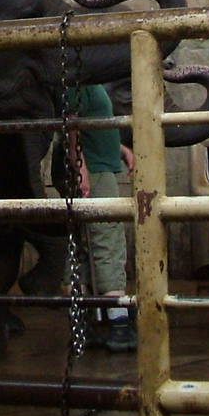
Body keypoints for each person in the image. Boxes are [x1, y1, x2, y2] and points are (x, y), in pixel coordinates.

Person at [66, 83, 138, 352]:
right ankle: (118, 323)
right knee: (106, 239)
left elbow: (92, 124)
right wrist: (79, 164)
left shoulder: (90, 79)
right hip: (92, 170)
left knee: (87, 244)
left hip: (95, 165)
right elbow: (69, 123)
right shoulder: (76, 76)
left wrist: (120, 149)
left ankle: (89, 322)